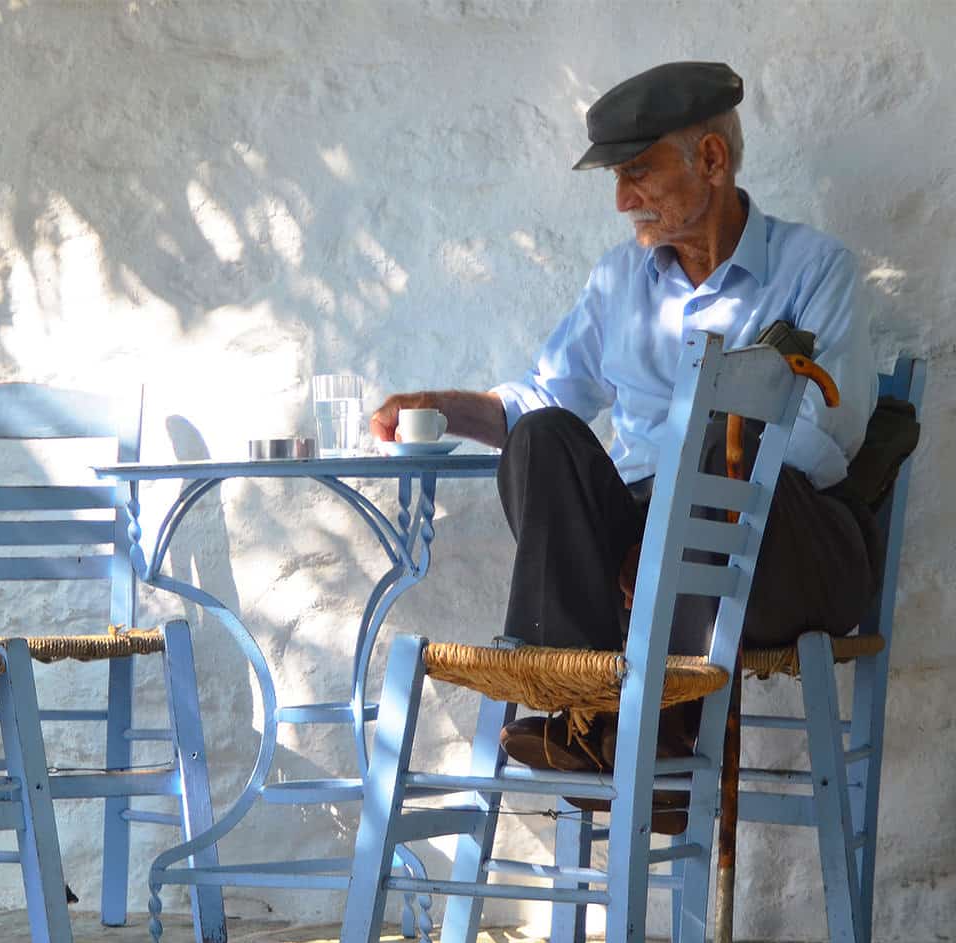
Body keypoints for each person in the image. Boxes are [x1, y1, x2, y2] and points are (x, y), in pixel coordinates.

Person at [369, 61, 880, 831]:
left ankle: (642, 741)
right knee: (546, 440)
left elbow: (827, 437)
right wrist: (440, 407)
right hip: (644, 565)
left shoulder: (816, 269)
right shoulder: (619, 282)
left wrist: (689, 507)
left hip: (783, 546)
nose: (620, 200)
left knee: (723, 435)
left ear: (711, 160)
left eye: (637, 172)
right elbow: (541, 402)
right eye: (615, 177)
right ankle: (583, 717)